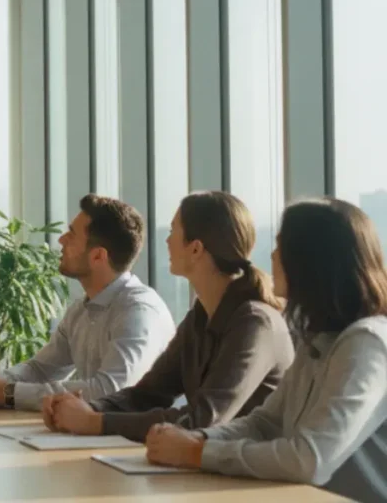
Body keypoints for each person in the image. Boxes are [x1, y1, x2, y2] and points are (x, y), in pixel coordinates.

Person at [145, 198, 387, 503]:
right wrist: (196, 439)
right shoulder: (316, 340)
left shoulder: (367, 344)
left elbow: (308, 459)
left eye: (280, 245)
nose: (271, 256)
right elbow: (265, 424)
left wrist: (197, 452)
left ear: (310, 260)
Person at [44, 191, 295, 442]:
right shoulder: (199, 317)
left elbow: (202, 419)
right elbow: (147, 395)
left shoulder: (254, 323)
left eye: (173, 230)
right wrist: (84, 408)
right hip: (210, 467)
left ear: (196, 248)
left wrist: (95, 422)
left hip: (251, 476)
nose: (167, 240)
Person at [0, 195, 175, 411]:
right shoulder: (82, 309)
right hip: (95, 436)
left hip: (137, 444)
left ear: (98, 256)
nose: (61, 240)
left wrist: (5, 391)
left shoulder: (139, 311)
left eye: (71, 234)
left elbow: (108, 391)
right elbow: (40, 369)